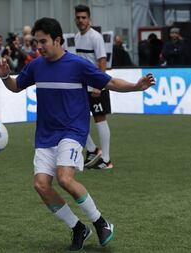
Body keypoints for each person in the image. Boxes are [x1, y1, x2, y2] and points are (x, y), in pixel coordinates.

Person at [0, 17, 155, 252]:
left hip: (73, 131)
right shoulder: (36, 66)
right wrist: (4, 76)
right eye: (36, 42)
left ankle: (101, 223)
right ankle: (78, 227)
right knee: (41, 185)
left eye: (43, 42)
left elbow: (109, 82)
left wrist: (135, 86)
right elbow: (16, 86)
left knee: (64, 178)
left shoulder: (78, 65)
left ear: (58, 40)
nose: (38, 47)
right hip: (45, 135)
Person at [74, 5, 113, 169]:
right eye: (78, 17)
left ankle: (105, 159)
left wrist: (99, 85)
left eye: (84, 17)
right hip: (82, 86)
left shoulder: (95, 37)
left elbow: (102, 60)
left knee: (99, 118)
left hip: (96, 86)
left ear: (89, 19)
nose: (81, 20)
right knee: (76, 118)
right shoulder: (77, 37)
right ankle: (91, 150)